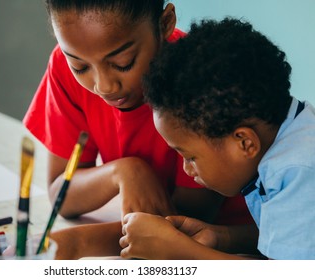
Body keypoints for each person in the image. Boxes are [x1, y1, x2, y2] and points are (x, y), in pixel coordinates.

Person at [23, 0, 256, 258]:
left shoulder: (199, 79)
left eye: (123, 62)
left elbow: (180, 225)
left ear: (165, 24)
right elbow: (61, 195)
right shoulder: (62, 66)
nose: (104, 86)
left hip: (244, 244)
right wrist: (124, 172)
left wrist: (77, 243)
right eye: (80, 66)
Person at [120, 17, 315, 260]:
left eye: (190, 156)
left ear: (244, 143)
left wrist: (182, 252)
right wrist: (220, 237)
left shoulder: (296, 170)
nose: (186, 168)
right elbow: (293, 239)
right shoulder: (296, 127)